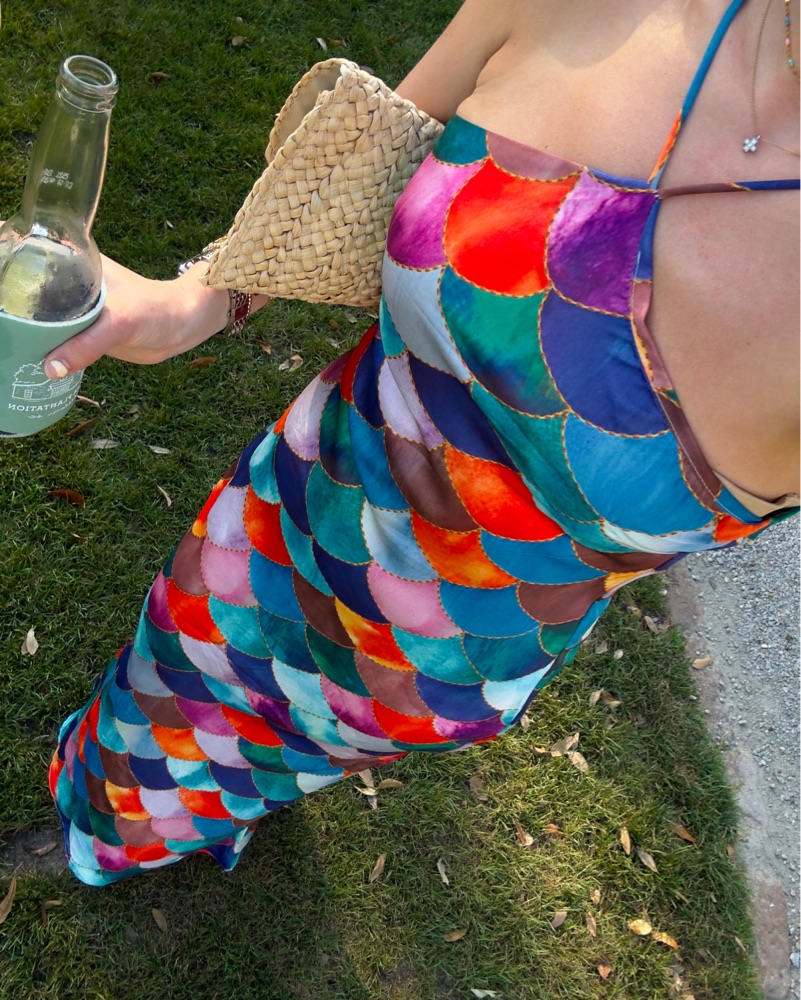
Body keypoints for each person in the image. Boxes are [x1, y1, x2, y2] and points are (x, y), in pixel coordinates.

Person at [46, 0, 799, 885]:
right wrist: (193, 303)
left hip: (418, 666)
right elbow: (365, 169)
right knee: (163, 684)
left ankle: (109, 844)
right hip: (276, 510)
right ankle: (107, 796)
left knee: (245, 766)